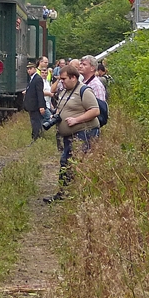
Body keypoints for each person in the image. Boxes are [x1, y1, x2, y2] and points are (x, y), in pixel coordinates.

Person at [44, 63, 100, 202]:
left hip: (84, 132)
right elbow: (62, 109)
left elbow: (95, 110)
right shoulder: (64, 92)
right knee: (65, 162)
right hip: (69, 135)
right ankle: (64, 194)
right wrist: (55, 116)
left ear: (73, 77)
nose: (61, 82)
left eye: (63, 79)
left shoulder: (84, 91)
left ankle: (78, 195)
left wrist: (76, 120)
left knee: (77, 163)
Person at [21, 59, 47, 141]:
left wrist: (41, 106)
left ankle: (37, 138)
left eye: (31, 68)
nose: (29, 70)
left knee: (36, 122)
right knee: (34, 122)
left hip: (35, 106)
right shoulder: (32, 78)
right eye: (28, 69)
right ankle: (35, 137)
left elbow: (40, 93)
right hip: (31, 106)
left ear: (35, 69)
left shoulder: (37, 79)